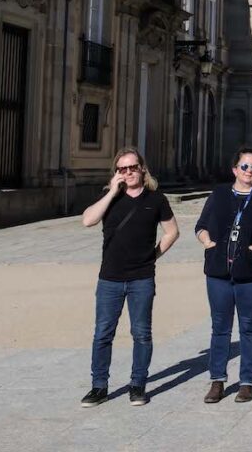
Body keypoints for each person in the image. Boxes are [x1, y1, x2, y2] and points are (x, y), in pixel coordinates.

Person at [80, 147, 179, 408]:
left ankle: (138, 385)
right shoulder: (109, 197)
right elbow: (88, 220)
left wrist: (154, 255)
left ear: (142, 169)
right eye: (122, 169)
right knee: (103, 333)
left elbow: (172, 232)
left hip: (141, 278)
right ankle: (99, 387)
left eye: (133, 167)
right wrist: (112, 191)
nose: (128, 172)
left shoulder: (156, 199)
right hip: (109, 278)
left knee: (141, 333)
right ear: (116, 172)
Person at [195, 147, 252, 404]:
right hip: (218, 272)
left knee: (248, 326)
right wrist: (207, 241)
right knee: (220, 328)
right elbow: (201, 225)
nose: (249, 171)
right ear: (234, 170)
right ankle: (217, 381)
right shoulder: (219, 194)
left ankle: (247, 382)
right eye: (244, 166)